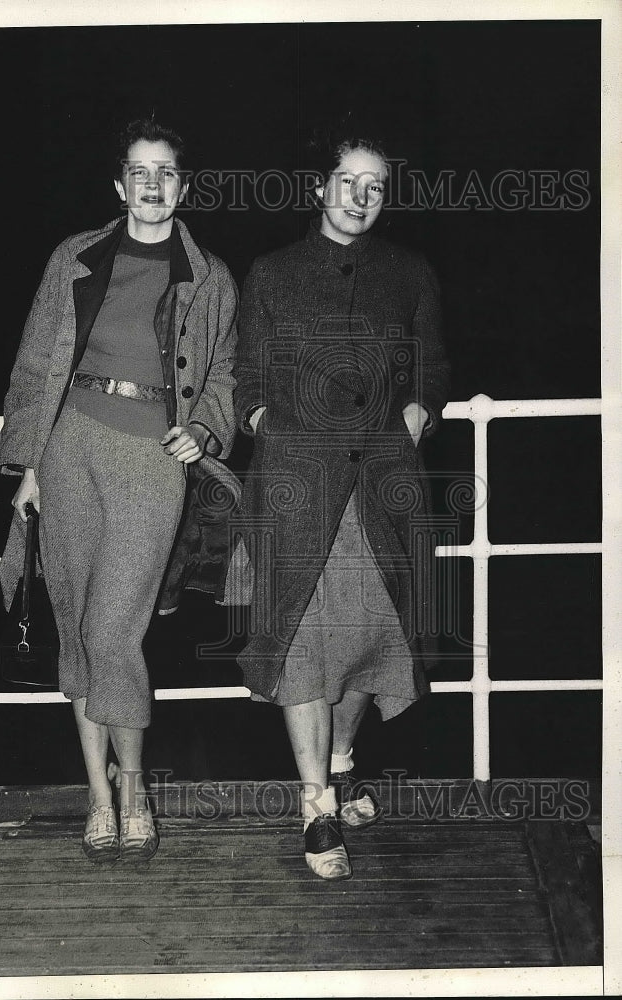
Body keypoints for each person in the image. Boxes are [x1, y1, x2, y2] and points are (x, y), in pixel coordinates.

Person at [0, 116, 238, 863]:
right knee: (75, 627)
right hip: (69, 447)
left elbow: (225, 374)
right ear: (118, 184)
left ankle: (133, 786)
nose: (152, 184)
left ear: (183, 185)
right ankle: (97, 799)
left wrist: (204, 429)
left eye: (165, 171)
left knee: (113, 631)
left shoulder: (211, 278)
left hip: (149, 457)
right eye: (138, 171)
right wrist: (28, 462)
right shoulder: (75, 256)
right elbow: (37, 364)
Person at [234, 125, 450, 880]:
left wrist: (418, 415)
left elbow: (432, 370)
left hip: (380, 489)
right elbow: (248, 382)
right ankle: (315, 806)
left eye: (376, 186)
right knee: (301, 642)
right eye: (348, 183)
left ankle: (341, 755)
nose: (361, 198)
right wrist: (269, 427)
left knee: (371, 637)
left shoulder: (409, 271)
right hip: (299, 491)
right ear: (319, 189)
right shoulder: (270, 272)